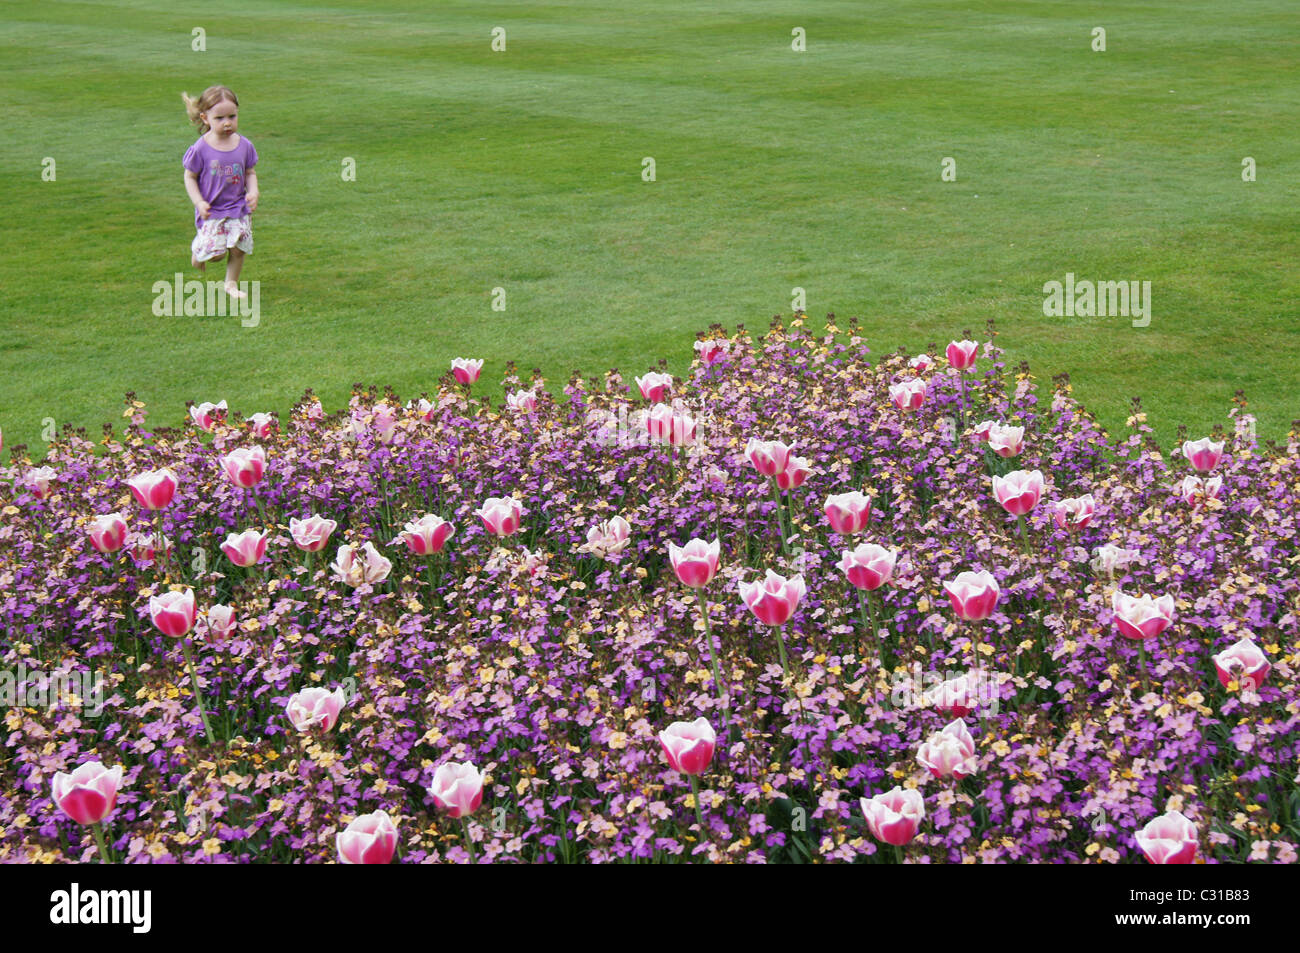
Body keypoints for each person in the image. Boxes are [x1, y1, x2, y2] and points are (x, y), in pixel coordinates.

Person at [180, 85, 259, 298]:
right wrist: (199, 202)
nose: (227, 123)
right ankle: (199, 250)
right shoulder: (200, 149)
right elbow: (190, 177)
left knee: (239, 247)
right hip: (212, 209)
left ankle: (230, 284)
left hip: (237, 206)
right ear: (205, 118)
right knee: (216, 255)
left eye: (232, 116)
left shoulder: (244, 145)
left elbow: (250, 172)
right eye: (220, 118)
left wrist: (253, 192)